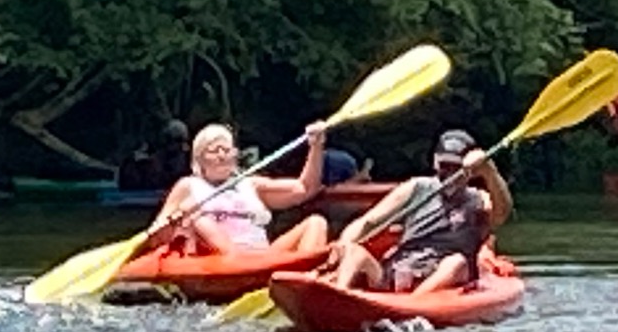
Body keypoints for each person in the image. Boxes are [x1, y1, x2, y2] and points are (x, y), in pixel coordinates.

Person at [323, 129, 513, 295]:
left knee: (457, 263)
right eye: (444, 166)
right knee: (354, 251)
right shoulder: (417, 187)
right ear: (435, 163)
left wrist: (489, 170)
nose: (449, 173)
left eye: (455, 168)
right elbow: (368, 222)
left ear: (470, 170)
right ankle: (338, 295)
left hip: (440, 276)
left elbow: (501, 213)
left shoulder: (479, 199)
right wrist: (343, 244)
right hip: (399, 269)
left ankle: (411, 305)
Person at [151, 121, 330, 255]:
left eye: (226, 150)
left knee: (316, 223)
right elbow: (158, 234)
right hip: (221, 258)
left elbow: (305, 188)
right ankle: (236, 261)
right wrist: (176, 219)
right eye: (213, 151)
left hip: (260, 255)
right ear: (200, 160)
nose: (222, 156)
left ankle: (305, 278)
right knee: (199, 220)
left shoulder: (251, 184)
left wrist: (316, 146)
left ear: (235, 156)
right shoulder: (188, 186)